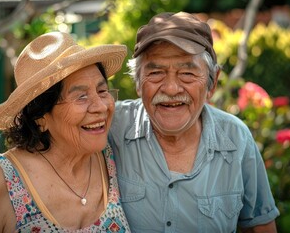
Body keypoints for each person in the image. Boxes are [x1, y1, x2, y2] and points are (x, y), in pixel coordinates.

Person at [109, 12, 280, 232]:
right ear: (139, 83)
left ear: (212, 83)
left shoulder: (236, 139)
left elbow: (260, 226)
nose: (171, 88)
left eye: (187, 73)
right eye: (156, 73)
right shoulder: (111, 127)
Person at [0, 32, 131, 232]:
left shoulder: (114, 159)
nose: (101, 106)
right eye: (81, 97)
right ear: (40, 117)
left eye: (102, 91)